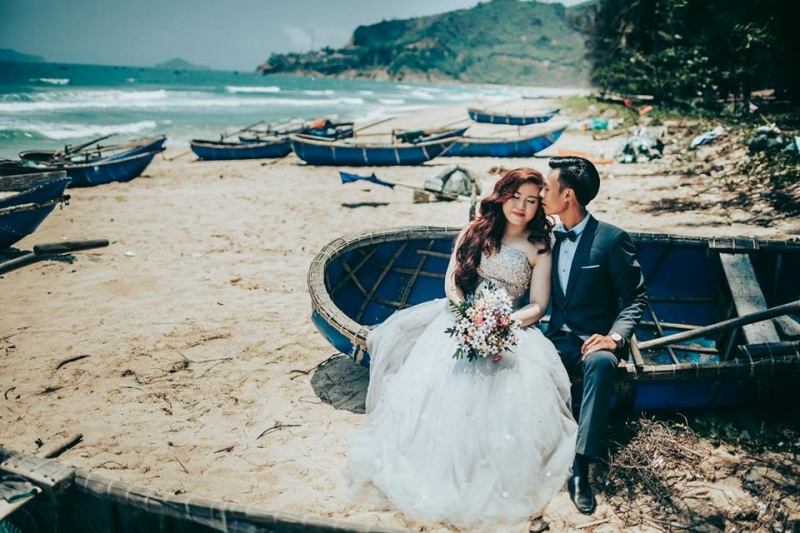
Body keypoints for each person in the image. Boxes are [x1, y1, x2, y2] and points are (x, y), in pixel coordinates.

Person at [348, 168, 578, 530]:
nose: (521, 206)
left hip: (510, 328)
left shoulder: (539, 247)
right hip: (460, 320)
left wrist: (502, 324)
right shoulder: (475, 231)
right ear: (502, 196)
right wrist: (469, 318)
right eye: (515, 197)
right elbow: (452, 285)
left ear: (539, 207)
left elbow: (538, 305)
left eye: (532, 201)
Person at [539, 156, 647, 515]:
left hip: (595, 339)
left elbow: (635, 298)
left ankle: (581, 467)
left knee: (601, 365)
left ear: (568, 195)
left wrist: (615, 338)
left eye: (546, 188)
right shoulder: (547, 238)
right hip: (555, 337)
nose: (541, 194)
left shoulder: (612, 239)